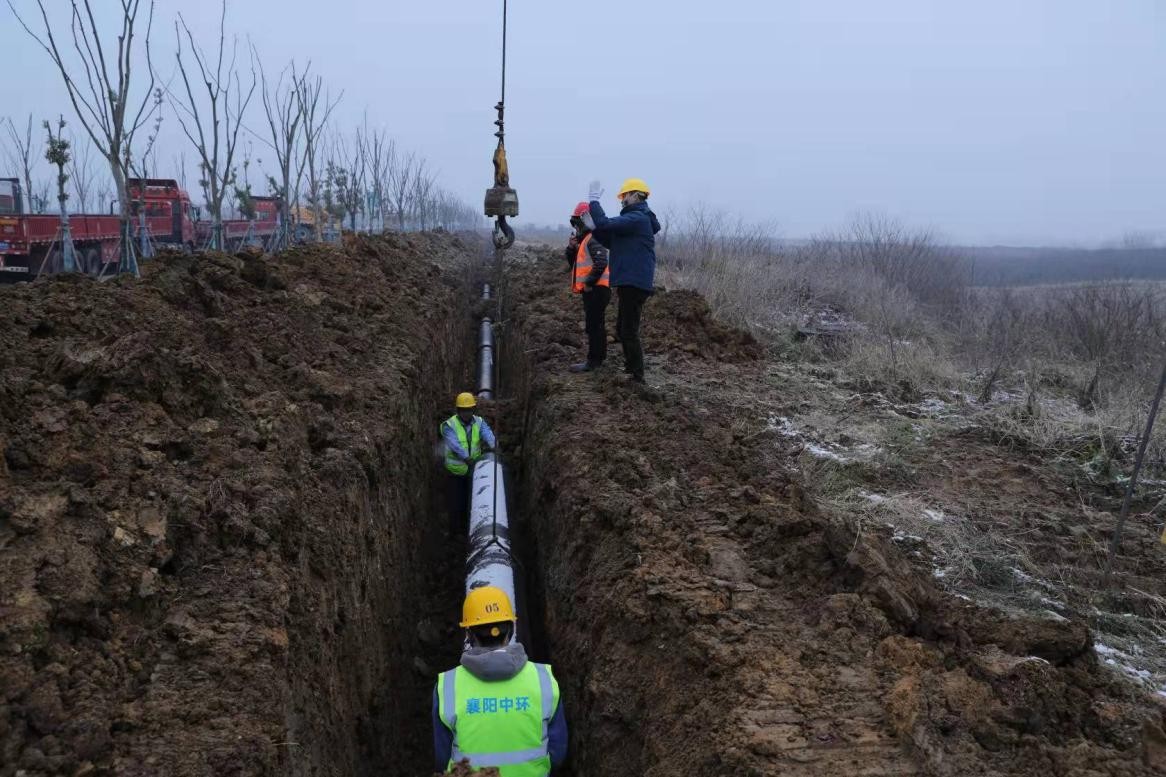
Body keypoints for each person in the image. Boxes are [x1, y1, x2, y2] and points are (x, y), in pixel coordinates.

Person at [434, 586, 567, 775]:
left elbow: (442, 757)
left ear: (469, 635)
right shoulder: (543, 680)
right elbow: (558, 752)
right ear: (511, 630)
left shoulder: (447, 686)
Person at [586, 178, 661, 384]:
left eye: (625, 195)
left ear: (636, 195)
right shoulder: (636, 222)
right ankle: (632, 369)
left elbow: (606, 223)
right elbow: (612, 241)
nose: (622, 199)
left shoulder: (638, 217)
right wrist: (594, 229)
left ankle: (637, 376)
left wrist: (594, 202)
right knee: (623, 329)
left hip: (634, 281)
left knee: (628, 330)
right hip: (630, 280)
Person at [441, 392, 496, 538]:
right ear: (458, 410)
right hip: (455, 473)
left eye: (469, 409)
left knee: (473, 504)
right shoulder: (449, 425)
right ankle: (454, 535)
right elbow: (454, 445)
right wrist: (466, 458)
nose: (466, 413)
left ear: (473, 409)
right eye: (463, 410)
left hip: (474, 472)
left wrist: (494, 445)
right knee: (456, 505)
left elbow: (487, 433)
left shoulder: (478, 422)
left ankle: (470, 532)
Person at [564, 201, 611, 373]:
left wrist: (589, 283)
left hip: (597, 290)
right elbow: (575, 266)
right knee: (595, 325)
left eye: (577, 223)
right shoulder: (586, 241)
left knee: (595, 325)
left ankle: (594, 361)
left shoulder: (593, 239)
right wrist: (571, 249)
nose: (576, 227)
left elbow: (600, 263)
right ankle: (598, 358)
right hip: (594, 289)